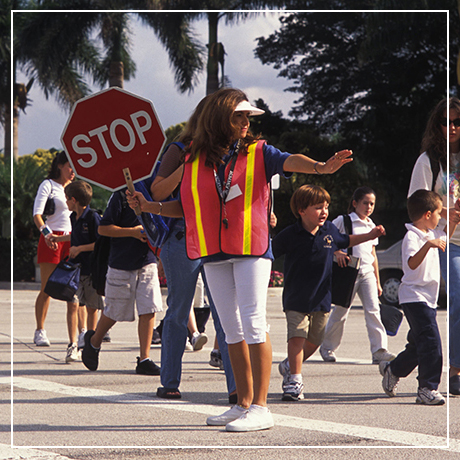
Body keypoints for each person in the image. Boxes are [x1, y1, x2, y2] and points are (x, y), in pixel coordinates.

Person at [127, 87, 353, 432]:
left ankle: (262, 407)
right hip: (214, 250)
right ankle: (243, 403)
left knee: (253, 322)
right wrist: (149, 207)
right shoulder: (194, 158)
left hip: (251, 248)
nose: (246, 121)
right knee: (230, 327)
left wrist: (321, 167)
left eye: (248, 116)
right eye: (239, 115)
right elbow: (187, 207)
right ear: (219, 118)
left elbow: (289, 159)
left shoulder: (259, 151)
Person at [150, 96, 236, 402]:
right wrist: (188, 166)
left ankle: (236, 388)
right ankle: (169, 381)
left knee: (226, 316)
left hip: (218, 241)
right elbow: (158, 191)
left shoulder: (230, 151)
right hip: (182, 239)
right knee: (177, 312)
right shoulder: (178, 149)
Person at [272, 185, 386, 401]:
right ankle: (294, 380)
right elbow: (269, 252)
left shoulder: (329, 231)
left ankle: (289, 365)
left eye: (326, 207)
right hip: (296, 297)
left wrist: (370, 235)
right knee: (297, 338)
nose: (324, 211)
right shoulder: (290, 234)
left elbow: (347, 241)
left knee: (315, 340)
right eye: (318, 207)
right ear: (301, 210)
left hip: (322, 297)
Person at [81, 184, 162, 375]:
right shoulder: (119, 195)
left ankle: (144, 358)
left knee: (150, 307)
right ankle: (93, 342)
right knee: (114, 311)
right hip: (121, 262)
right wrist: (133, 232)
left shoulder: (156, 192)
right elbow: (103, 228)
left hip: (147, 260)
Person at [408, 97, 460, 395]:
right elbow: (416, 207)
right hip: (445, 241)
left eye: (457, 121)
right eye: (445, 121)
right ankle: (455, 371)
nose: (451, 127)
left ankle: (403, 361)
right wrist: (442, 215)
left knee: (424, 329)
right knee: (458, 298)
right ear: (436, 124)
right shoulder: (429, 160)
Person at [379, 190, 451, 405]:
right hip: (414, 297)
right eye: (439, 213)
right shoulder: (413, 236)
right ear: (428, 214)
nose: (441, 217)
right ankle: (427, 388)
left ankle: (393, 369)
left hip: (427, 298)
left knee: (419, 344)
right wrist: (428, 245)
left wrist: (453, 219)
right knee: (431, 343)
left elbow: (445, 236)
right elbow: (411, 264)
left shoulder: (430, 233)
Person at [319, 186, 395, 365]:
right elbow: (326, 239)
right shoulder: (343, 221)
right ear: (355, 203)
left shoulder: (371, 225)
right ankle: (327, 347)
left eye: (372, 204)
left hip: (367, 271)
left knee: (373, 309)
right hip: (348, 271)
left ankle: (379, 350)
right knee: (341, 311)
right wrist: (337, 252)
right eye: (365, 203)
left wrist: (377, 281)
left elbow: (373, 254)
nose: (369, 207)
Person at [49, 180, 104, 362]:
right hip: (76, 272)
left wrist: (80, 249)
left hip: (91, 271)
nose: (65, 202)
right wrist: (60, 238)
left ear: (73, 200)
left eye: (66, 199)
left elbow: (100, 243)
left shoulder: (93, 218)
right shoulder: (74, 218)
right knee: (72, 304)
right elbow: (76, 236)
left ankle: (90, 344)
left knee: (92, 308)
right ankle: (72, 344)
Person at [32, 151, 75, 347]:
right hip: (52, 239)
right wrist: (47, 234)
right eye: (69, 166)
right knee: (47, 288)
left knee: (75, 289)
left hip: (71, 239)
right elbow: (37, 215)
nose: (73, 171)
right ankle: (40, 330)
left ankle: (80, 333)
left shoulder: (75, 188)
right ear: (60, 165)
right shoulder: (48, 185)